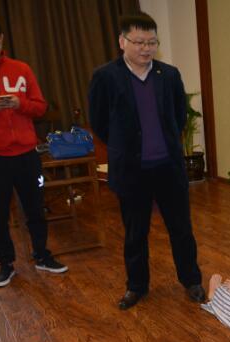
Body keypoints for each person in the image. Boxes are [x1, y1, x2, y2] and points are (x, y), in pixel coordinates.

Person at [88, 13, 205, 309]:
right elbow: (99, 122)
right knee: (135, 233)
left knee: (181, 229)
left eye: (152, 42)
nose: (146, 48)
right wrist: (124, 146)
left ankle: (191, 280)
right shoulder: (106, 76)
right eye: (139, 42)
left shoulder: (170, 75)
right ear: (122, 42)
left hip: (168, 168)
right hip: (131, 170)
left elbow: (178, 117)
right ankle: (137, 286)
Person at [0, 14, 68, 287]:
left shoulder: (21, 68)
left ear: (2, 40)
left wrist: (20, 104)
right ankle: (5, 264)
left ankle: (42, 254)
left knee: (36, 208)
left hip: (27, 154)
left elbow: (40, 107)